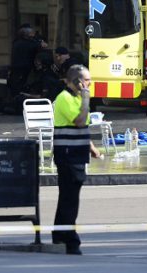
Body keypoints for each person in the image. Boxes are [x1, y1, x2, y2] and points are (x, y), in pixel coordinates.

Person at [52, 64, 101, 255]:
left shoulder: (76, 98)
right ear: (77, 82)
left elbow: (81, 128)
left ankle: (61, 236)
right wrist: (87, 97)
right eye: (87, 80)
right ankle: (69, 239)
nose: (90, 83)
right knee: (69, 199)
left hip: (77, 154)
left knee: (69, 198)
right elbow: (79, 121)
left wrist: (91, 147)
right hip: (67, 155)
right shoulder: (65, 98)